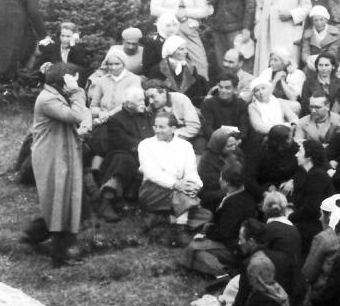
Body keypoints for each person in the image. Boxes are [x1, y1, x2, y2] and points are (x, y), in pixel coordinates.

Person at [21, 63, 90, 266]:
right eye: (73, 80)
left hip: (61, 152)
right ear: (63, 82)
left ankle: (34, 235)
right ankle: (59, 255)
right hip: (52, 156)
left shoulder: (56, 95)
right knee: (60, 201)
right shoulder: (48, 99)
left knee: (65, 200)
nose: (76, 84)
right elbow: (76, 115)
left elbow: (80, 114)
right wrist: (77, 92)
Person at [182, 161, 257, 278]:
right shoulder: (242, 195)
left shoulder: (234, 204)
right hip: (239, 245)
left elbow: (224, 234)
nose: (219, 179)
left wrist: (208, 230)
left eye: (221, 177)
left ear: (226, 182)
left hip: (234, 248)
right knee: (195, 245)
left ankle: (223, 272)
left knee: (192, 249)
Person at [138, 111, 203, 239]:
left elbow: (191, 172)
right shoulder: (146, 145)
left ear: (173, 128)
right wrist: (176, 184)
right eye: (155, 126)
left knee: (205, 214)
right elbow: (151, 173)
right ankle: (181, 228)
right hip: (152, 190)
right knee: (186, 199)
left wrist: (194, 185)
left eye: (162, 127)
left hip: (180, 189)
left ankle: (165, 218)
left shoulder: (185, 146)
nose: (157, 130)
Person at [97, 86, 153, 222]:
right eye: (139, 100)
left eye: (143, 99)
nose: (143, 103)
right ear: (128, 103)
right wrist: (145, 147)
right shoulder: (115, 120)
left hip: (148, 154)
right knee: (122, 160)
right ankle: (106, 202)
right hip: (125, 154)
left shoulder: (147, 116)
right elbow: (123, 142)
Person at [150, 0, 212, 77]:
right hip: (168, 29)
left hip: (189, 28)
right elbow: (154, 9)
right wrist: (175, 13)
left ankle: (201, 85)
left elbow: (203, 11)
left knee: (200, 61)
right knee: (170, 60)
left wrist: (186, 12)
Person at [254, 0, 312, 75]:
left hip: (288, 30)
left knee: (286, 64)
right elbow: (259, 3)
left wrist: (291, 14)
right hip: (267, 29)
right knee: (266, 64)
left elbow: (307, 6)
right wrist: (258, 23)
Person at [288, 140, 336, 254]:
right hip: (312, 223)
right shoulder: (312, 173)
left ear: (309, 157)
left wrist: (289, 217)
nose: (296, 155)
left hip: (314, 227)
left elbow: (311, 208)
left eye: (300, 152)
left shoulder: (317, 176)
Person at [146, 35, 208, 104]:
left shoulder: (191, 69)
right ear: (172, 51)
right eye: (181, 49)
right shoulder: (157, 70)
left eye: (185, 48)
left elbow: (197, 95)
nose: (185, 51)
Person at [197, 128, 244, 213]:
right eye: (229, 146)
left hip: (232, 187)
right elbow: (213, 184)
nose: (233, 148)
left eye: (235, 144)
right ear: (219, 145)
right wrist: (233, 191)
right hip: (213, 192)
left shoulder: (235, 152)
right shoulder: (207, 160)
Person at [34, 21, 92, 86]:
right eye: (62, 36)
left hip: (74, 85)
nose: (64, 39)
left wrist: (73, 45)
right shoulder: (51, 48)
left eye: (68, 36)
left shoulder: (80, 49)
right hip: (54, 85)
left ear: (74, 36)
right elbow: (37, 68)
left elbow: (82, 68)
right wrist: (45, 68)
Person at [200, 73, 251, 141]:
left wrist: (236, 139)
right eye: (220, 87)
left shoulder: (242, 104)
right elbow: (207, 128)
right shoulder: (208, 104)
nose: (223, 91)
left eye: (227, 88)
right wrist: (223, 140)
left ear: (235, 89)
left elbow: (244, 126)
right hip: (215, 140)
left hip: (237, 140)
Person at [299, 5, 340, 71]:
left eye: (322, 19)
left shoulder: (334, 33)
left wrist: (320, 60)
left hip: (328, 64)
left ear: (326, 20)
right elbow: (305, 52)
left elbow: (332, 53)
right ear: (312, 21)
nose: (319, 23)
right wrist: (308, 61)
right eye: (315, 20)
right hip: (312, 64)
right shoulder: (307, 34)